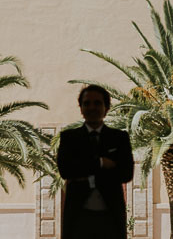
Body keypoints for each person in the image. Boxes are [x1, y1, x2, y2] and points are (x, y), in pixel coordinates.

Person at [57, 84, 134, 239]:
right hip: (78, 217)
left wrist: (81, 169)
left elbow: (126, 174)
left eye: (97, 103)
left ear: (106, 108)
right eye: (87, 103)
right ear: (81, 108)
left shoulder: (119, 138)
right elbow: (66, 170)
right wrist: (101, 163)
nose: (92, 107)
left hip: (110, 217)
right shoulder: (69, 138)